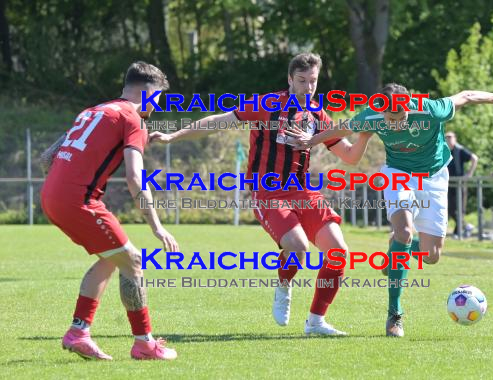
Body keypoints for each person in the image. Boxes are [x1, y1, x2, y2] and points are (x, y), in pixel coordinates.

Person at [150, 53, 373, 335]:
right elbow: (219, 121)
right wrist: (173, 135)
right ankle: (284, 285)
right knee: (298, 248)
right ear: (290, 79)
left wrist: (365, 134)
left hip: (303, 191)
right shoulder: (268, 104)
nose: (307, 87)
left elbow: (350, 156)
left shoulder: (317, 114)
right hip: (268, 193)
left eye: (313, 81)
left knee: (339, 253)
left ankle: (316, 322)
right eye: (302, 80)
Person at [289, 83, 493, 337]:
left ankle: (396, 250)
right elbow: (343, 127)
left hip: (434, 176)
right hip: (398, 174)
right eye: (390, 119)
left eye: (400, 118)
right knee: (404, 232)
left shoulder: (431, 110)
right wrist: (311, 140)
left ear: (409, 106)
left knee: (432, 256)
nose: (396, 124)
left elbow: (466, 96)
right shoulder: (373, 114)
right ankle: (394, 314)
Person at [40, 62, 179, 360]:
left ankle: (79, 332)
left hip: (51, 195)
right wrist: (157, 226)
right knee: (133, 260)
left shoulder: (94, 110)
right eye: (158, 98)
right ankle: (144, 344)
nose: (157, 106)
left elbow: (48, 157)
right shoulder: (135, 119)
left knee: (111, 258)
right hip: (79, 200)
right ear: (147, 92)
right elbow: (135, 179)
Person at [445, 131, 478, 238]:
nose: (448, 139)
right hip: (449, 183)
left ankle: (458, 232)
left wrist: (469, 174)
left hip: (460, 184)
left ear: (455, 138)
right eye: (446, 137)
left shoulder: (460, 150)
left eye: (450, 137)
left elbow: (474, 158)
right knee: (450, 209)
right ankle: (466, 226)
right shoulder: (444, 150)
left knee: (460, 209)